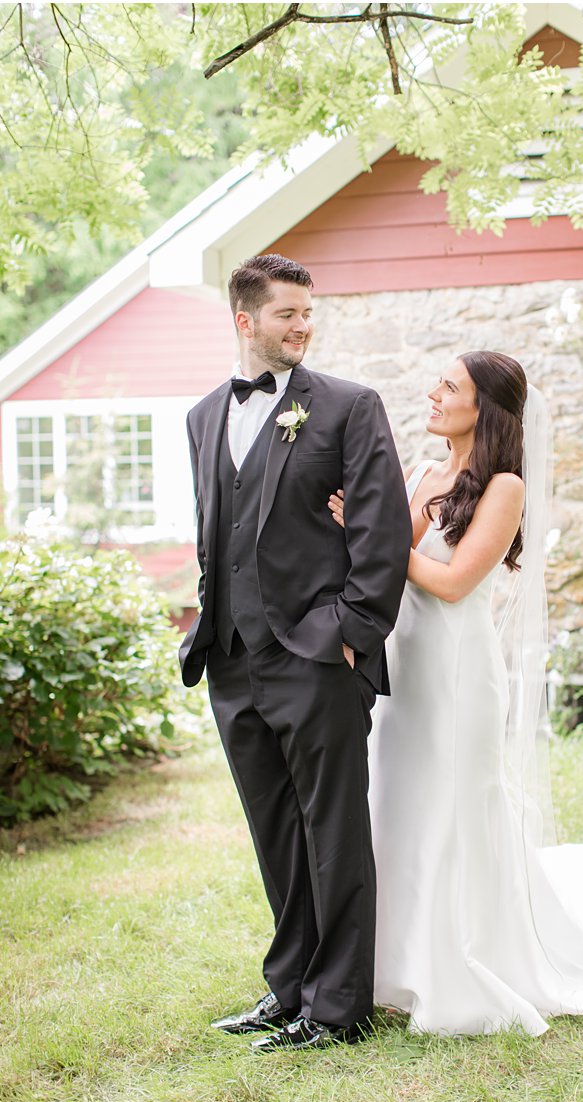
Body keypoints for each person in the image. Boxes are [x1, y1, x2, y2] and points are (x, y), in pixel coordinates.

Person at [328, 350, 583, 1035]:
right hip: (403, 669)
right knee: (398, 800)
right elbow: (383, 567)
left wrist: (368, 539)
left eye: (449, 386)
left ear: (484, 408)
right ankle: (389, 962)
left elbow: (455, 580)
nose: (432, 393)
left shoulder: (503, 488)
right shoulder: (424, 472)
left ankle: (459, 960)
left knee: (451, 806)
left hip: (457, 675)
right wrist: (355, 535)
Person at [181, 253, 411, 1052]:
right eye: (287, 315)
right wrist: (210, 630)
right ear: (246, 321)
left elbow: (384, 532)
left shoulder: (349, 407)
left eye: (308, 314)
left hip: (316, 656)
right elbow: (217, 533)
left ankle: (340, 1008)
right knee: (274, 830)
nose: (302, 327)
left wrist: (350, 634)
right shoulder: (204, 416)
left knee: (333, 830)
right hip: (234, 661)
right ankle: (289, 990)